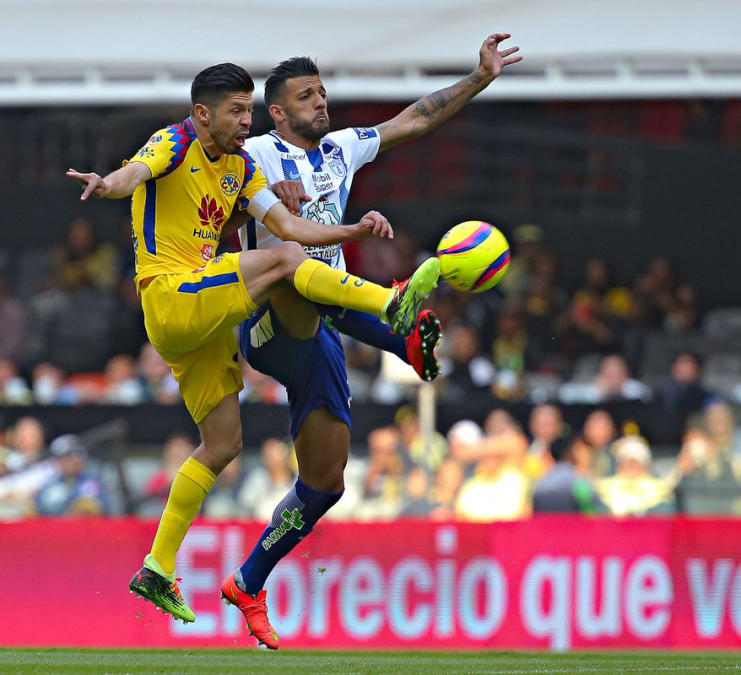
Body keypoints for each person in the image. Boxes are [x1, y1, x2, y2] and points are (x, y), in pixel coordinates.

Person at [66, 63, 441, 626]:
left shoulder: (240, 166)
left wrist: (353, 232)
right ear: (202, 113)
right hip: (170, 294)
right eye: (236, 111)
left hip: (202, 316)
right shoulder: (173, 141)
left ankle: (157, 567)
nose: (247, 122)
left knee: (222, 443)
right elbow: (135, 174)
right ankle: (391, 308)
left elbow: (293, 230)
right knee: (287, 267)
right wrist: (106, 184)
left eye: (249, 110)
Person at [219, 34, 521, 648]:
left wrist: (479, 78)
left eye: (323, 92)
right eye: (307, 96)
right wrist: (260, 202)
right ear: (276, 112)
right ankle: (397, 331)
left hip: (323, 329)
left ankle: (247, 583)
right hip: (269, 318)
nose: (321, 103)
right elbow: (208, 213)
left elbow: (414, 119)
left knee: (326, 484)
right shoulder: (249, 154)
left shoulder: (340, 150)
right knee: (292, 260)